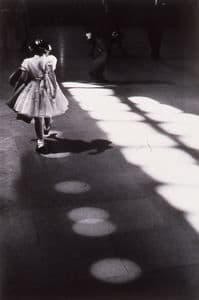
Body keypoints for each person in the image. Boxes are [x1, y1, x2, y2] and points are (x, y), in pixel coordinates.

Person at [11, 39, 69, 154]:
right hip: (46, 86)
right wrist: (54, 88)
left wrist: (18, 87)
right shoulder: (49, 60)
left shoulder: (27, 61)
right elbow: (52, 75)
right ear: (45, 50)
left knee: (38, 115)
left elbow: (23, 79)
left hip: (34, 87)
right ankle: (47, 127)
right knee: (47, 107)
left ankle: (40, 141)